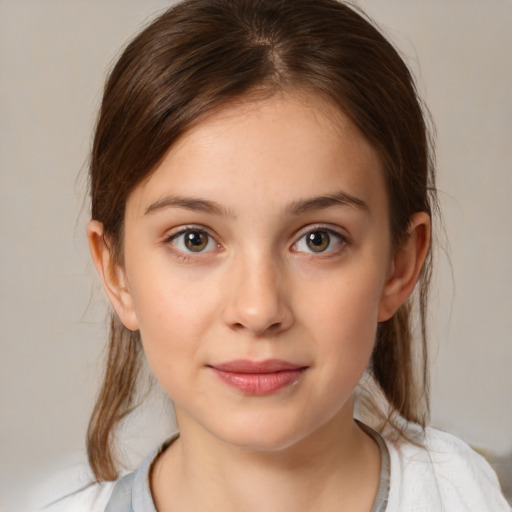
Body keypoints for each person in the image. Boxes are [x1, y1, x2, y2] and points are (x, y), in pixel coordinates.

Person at [40, 0, 510, 510]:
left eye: (318, 239)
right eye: (194, 239)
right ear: (117, 273)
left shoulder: (468, 496)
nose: (259, 310)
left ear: (399, 265)